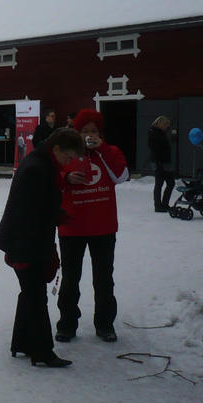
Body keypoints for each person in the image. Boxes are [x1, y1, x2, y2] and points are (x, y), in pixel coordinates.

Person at [0, 127, 84, 368]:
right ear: (56, 149)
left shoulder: (42, 163)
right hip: (25, 242)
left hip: (24, 240)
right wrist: (55, 221)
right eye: (68, 157)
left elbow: (40, 205)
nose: (69, 163)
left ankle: (21, 343)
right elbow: (31, 214)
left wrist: (57, 215)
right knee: (36, 296)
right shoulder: (37, 168)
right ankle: (42, 353)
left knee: (29, 293)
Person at [55, 109, 129, 344]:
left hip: (103, 226)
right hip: (71, 226)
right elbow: (50, 178)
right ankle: (67, 324)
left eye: (93, 131)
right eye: (84, 131)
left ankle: (105, 324)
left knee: (104, 278)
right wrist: (65, 178)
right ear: (76, 133)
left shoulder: (111, 152)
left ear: (100, 133)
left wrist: (103, 150)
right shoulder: (66, 154)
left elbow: (122, 176)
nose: (89, 135)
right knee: (70, 279)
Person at [147, 116, 175, 213]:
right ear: (161, 124)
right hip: (160, 162)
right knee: (160, 183)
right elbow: (155, 150)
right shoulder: (154, 134)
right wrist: (158, 163)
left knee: (169, 183)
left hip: (164, 162)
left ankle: (163, 204)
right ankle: (159, 206)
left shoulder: (160, 133)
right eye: (166, 125)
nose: (167, 127)